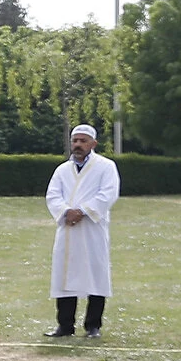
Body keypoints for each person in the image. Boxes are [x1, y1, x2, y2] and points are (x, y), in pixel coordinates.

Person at [46, 123, 120, 341]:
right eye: (75, 141)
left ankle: (93, 326)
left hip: (92, 229)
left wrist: (84, 211)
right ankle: (65, 326)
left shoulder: (106, 167)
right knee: (64, 277)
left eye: (83, 141)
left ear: (93, 144)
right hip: (68, 230)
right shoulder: (62, 170)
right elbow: (52, 195)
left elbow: (108, 194)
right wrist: (66, 212)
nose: (78, 145)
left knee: (96, 276)